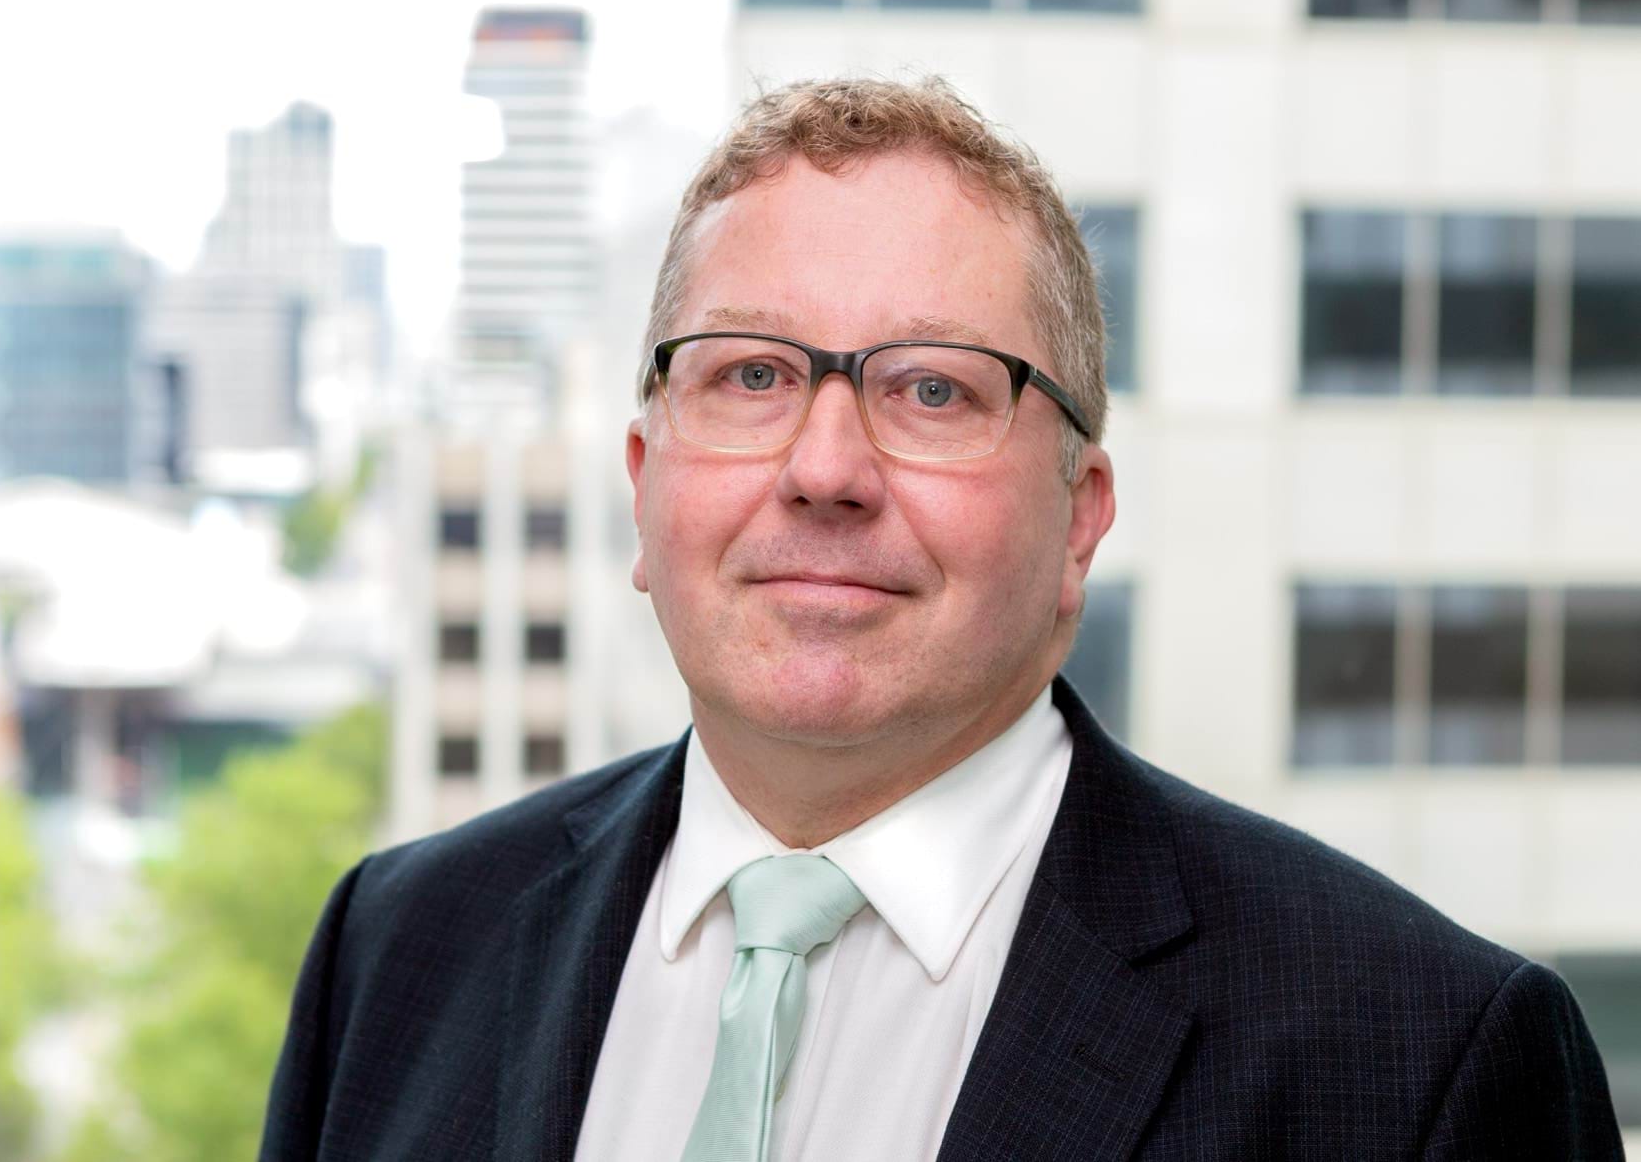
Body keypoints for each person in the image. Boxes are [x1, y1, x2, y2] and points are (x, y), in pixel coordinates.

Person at [260, 78, 1620, 1161]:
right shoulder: (398, 951)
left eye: (933, 392)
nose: (827, 468)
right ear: (641, 483)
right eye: (749, 374)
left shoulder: (1416, 1061)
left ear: (1080, 513)